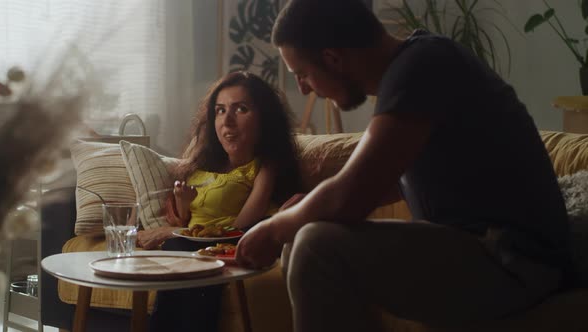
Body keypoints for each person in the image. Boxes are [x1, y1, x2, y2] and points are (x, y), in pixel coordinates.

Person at [235, 0, 574, 331]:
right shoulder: (416, 65)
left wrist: (276, 225)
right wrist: (303, 215)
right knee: (303, 237)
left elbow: (351, 195)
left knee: (314, 247)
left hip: (516, 261)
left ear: (333, 59)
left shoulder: (421, 66)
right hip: (485, 250)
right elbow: (385, 181)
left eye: (303, 74)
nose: (303, 87)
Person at [140, 71, 302, 332]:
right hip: (190, 244)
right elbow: (184, 218)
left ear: (264, 119)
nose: (227, 121)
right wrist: (181, 207)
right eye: (219, 110)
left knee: (182, 249)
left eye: (241, 109)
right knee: (179, 250)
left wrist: (170, 232)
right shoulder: (201, 166)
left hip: (235, 241)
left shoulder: (266, 166)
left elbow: (242, 225)